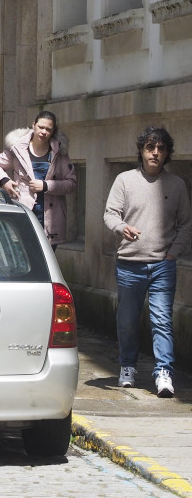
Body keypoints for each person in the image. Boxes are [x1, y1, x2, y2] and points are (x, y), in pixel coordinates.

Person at [103, 126, 191, 397]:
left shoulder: (176, 184)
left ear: (167, 154)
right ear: (141, 151)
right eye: (150, 147)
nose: (155, 152)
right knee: (127, 320)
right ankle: (128, 367)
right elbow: (110, 214)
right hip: (130, 264)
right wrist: (121, 228)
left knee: (162, 320)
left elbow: (186, 223)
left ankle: (163, 372)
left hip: (163, 265)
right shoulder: (124, 180)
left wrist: (174, 252)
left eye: (161, 148)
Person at [0, 110, 77, 246]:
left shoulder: (59, 152)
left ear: (53, 131)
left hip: (51, 216)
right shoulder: (18, 148)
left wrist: (46, 186)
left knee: (45, 263)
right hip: (24, 210)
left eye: (48, 129)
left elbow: (72, 183)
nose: (44, 132)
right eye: (41, 127)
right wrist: (5, 180)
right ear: (34, 125)